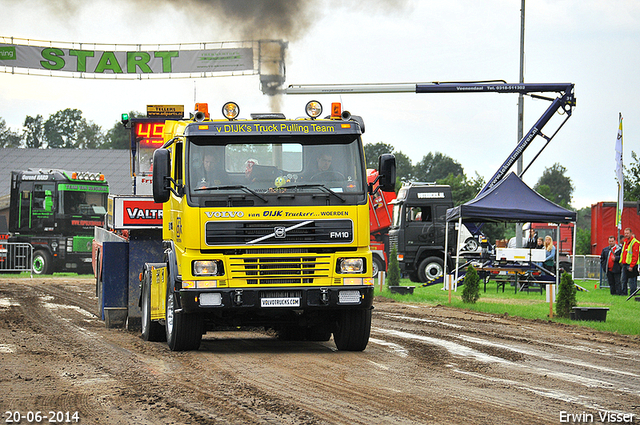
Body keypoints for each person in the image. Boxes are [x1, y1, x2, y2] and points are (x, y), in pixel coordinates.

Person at [619, 227, 639, 296]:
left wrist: (632, 265)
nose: (626, 235)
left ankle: (632, 293)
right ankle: (624, 293)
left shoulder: (635, 243)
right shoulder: (625, 242)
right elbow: (624, 253)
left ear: (631, 233)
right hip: (625, 264)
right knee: (623, 280)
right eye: (625, 233)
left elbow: (635, 256)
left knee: (632, 281)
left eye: (627, 233)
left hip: (631, 264)